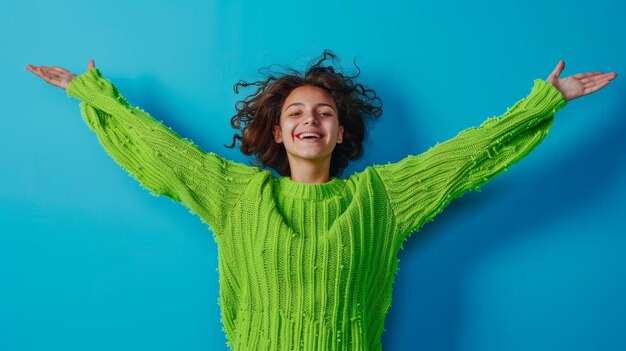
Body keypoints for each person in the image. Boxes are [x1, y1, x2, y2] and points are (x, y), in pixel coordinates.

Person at [26, 50, 616, 350]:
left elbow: (465, 158)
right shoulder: (236, 194)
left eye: (325, 113)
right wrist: (93, 94)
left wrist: (546, 101)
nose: (311, 120)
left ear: (340, 133)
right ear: (279, 133)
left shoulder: (381, 199)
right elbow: (160, 152)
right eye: (296, 113)